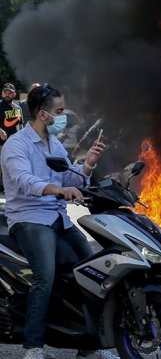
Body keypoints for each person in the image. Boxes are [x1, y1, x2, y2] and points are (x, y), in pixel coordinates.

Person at [0, 84, 116, 359]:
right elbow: (24, 181)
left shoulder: (55, 145)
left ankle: (89, 348)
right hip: (29, 218)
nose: (63, 116)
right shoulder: (17, 145)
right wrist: (58, 191)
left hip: (58, 218)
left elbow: (71, 178)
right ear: (43, 114)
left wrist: (88, 164)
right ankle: (33, 347)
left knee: (92, 275)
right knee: (45, 277)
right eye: (59, 111)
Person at [0, 82, 24, 192]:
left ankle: (8, 187)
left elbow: (21, 125)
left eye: (9, 93)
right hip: (1, 143)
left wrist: (23, 140)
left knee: (12, 166)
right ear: (2, 93)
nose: (7, 95)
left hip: (14, 144)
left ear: (14, 95)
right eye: (5, 92)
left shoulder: (18, 108)